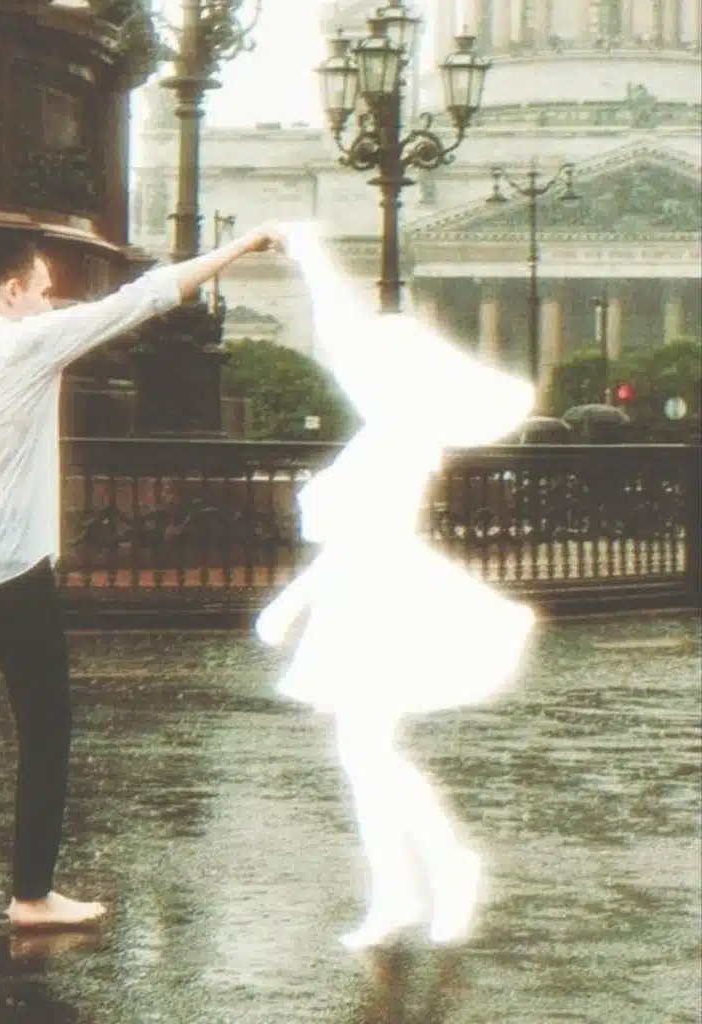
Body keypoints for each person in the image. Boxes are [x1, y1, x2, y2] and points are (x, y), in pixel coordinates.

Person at [0, 223, 284, 954]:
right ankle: (31, 895)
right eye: (45, 291)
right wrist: (244, 245)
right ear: (13, 291)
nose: (52, 304)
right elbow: (149, 296)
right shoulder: (33, 344)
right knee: (45, 732)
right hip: (18, 581)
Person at [256, 222, 536, 951]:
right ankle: (407, 889)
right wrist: (309, 255)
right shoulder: (385, 434)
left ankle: (436, 871)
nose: (355, 369)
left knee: (367, 754)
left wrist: (289, 603)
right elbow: (342, 336)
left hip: (378, 594)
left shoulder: (398, 438)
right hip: (366, 589)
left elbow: (362, 535)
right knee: (364, 755)